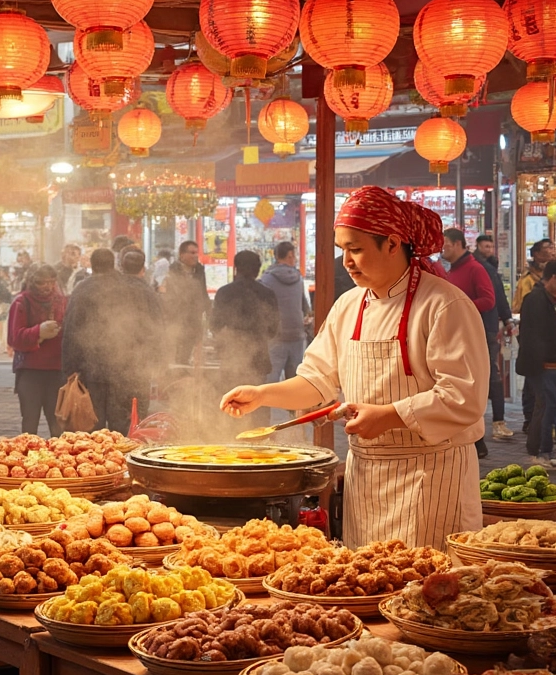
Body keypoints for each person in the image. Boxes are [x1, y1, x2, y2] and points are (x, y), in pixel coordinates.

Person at [220, 185, 488, 551]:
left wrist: (390, 415)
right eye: (342, 250)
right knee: (365, 580)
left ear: (393, 243)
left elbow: (465, 397)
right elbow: (316, 379)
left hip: (431, 477)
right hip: (367, 479)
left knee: (425, 592)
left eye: (356, 249)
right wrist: (262, 393)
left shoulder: (444, 305)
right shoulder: (349, 305)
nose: (346, 260)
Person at [61, 248, 132, 433]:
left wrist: (70, 367)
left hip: (91, 367)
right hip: (123, 366)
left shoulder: (83, 289)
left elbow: (72, 328)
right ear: (113, 263)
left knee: (93, 423)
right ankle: (121, 458)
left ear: (92, 265)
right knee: (120, 425)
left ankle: (97, 460)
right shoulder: (128, 287)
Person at [442, 228, 496, 459]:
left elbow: (489, 299)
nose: (442, 248)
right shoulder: (451, 270)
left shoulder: (474, 268)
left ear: (457, 244)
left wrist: (460, 308)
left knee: (469, 388)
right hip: (455, 336)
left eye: (444, 244)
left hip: (471, 337)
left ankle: (478, 440)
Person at [211, 251, 280, 428]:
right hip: (258, 359)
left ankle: (228, 443)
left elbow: (214, 326)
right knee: (258, 403)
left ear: (236, 269)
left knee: (230, 405)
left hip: (230, 359)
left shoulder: (225, 293)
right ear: (258, 270)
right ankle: (260, 442)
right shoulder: (267, 293)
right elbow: (273, 329)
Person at [7, 263, 67, 436]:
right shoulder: (21, 302)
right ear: (32, 282)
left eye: (51, 282)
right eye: (42, 283)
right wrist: (38, 332)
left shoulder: (62, 301)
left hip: (56, 371)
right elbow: (14, 338)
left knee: (58, 425)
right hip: (30, 372)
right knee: (30, 423)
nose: (47, 287)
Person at [516, 259, 556, 468]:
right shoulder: (535, 299)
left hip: (554, 364)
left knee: (553, 406)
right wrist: (540, 363)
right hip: (542, 366)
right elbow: (531, 336)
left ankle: (552, 450)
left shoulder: (553, 300)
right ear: (553, 278)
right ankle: (542, 451)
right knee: (547, 406)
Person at [473, 234, 515, 440]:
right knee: (489, 375)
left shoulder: (484, 268)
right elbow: (497, 296)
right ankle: (494, 423)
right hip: (481, 327)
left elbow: (497, 296)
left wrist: (507, 318)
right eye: (486, 245)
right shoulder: (478, 267)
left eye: (491, 246)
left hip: (486, 327)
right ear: (477, 246)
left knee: (490, 374)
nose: (489, 249)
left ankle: (496, 422)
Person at [513, 238, 556, 432]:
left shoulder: (554, 275)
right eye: (548, 248)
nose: (552, 251)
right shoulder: (528, 280)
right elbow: (519, 307)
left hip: (551, 347)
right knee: (534, 386)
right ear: (537, 254)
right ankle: (530, 422)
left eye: (554, 247)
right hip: (534, 341)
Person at [120, 247, 165, 424]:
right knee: (139, 406)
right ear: (142, 269)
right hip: (141, 358)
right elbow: (157, 326)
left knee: (121, 406)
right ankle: (136, 440)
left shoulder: (114, 288)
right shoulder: (148, 292)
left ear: (122, 267)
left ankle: (118, 441)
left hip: (117, 356)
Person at [260, 241, 308, 384]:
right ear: (290, 256)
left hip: (276, 335)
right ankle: (293, 407)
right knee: (295, 381)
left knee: (271, 377)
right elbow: (304, 307)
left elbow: (263, 308)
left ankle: (270, 405)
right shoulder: (299, 279)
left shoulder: (266, 279)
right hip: (297, 334)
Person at [164, 240, 210, 365]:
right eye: (192, 253)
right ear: (182, 255)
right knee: (174, 355)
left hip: (194, 320)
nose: (195, 256)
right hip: (176, 320)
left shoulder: (199, 271)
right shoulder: (171, 271)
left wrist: (207, 312)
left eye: (197, 253)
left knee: (187, 356)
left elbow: (203, 292)